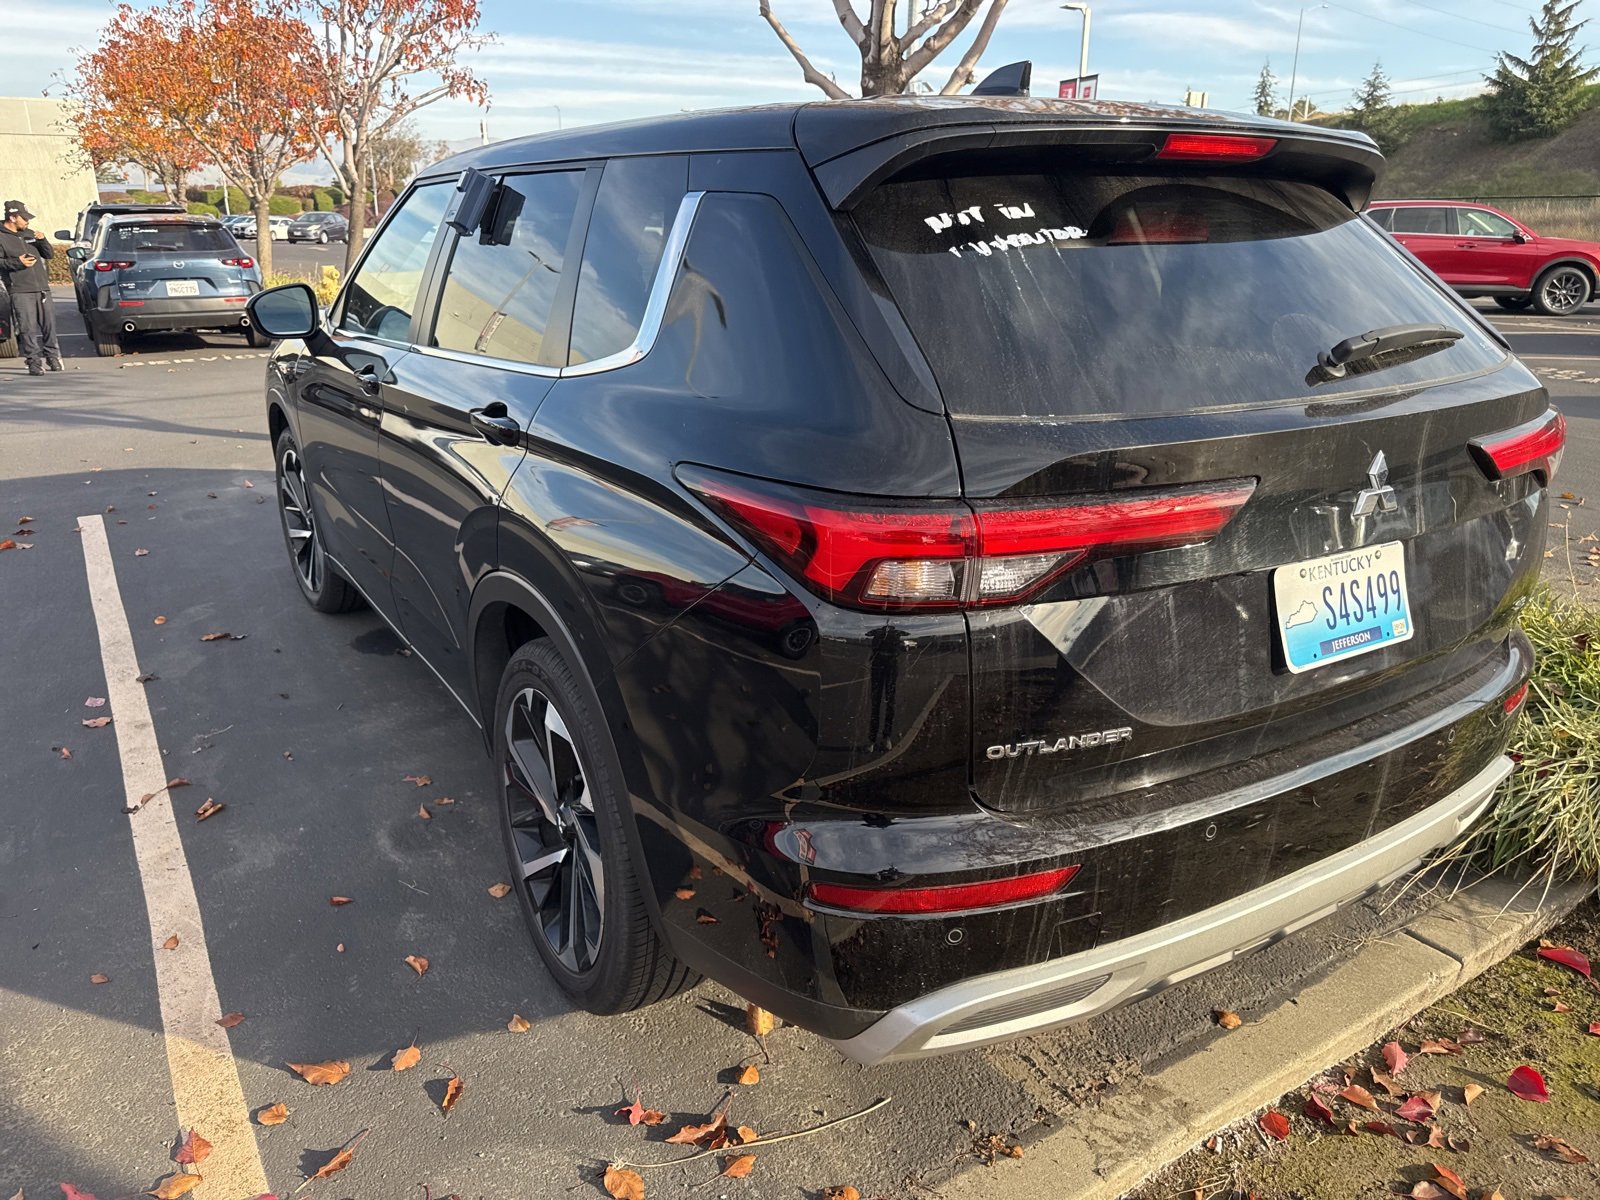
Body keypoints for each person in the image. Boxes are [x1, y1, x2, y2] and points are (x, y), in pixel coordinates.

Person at [0, 199, 63, 375]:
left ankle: (52, 357)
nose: (27, 222)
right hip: (20, 289)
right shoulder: (1, 237)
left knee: (49, 325)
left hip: (41, 287)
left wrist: (42, 240)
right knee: (27, 328)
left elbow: (49, 254)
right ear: (13, 217)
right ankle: (34, 362)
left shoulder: (29, 233)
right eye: (24, 218)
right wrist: (17, 263)